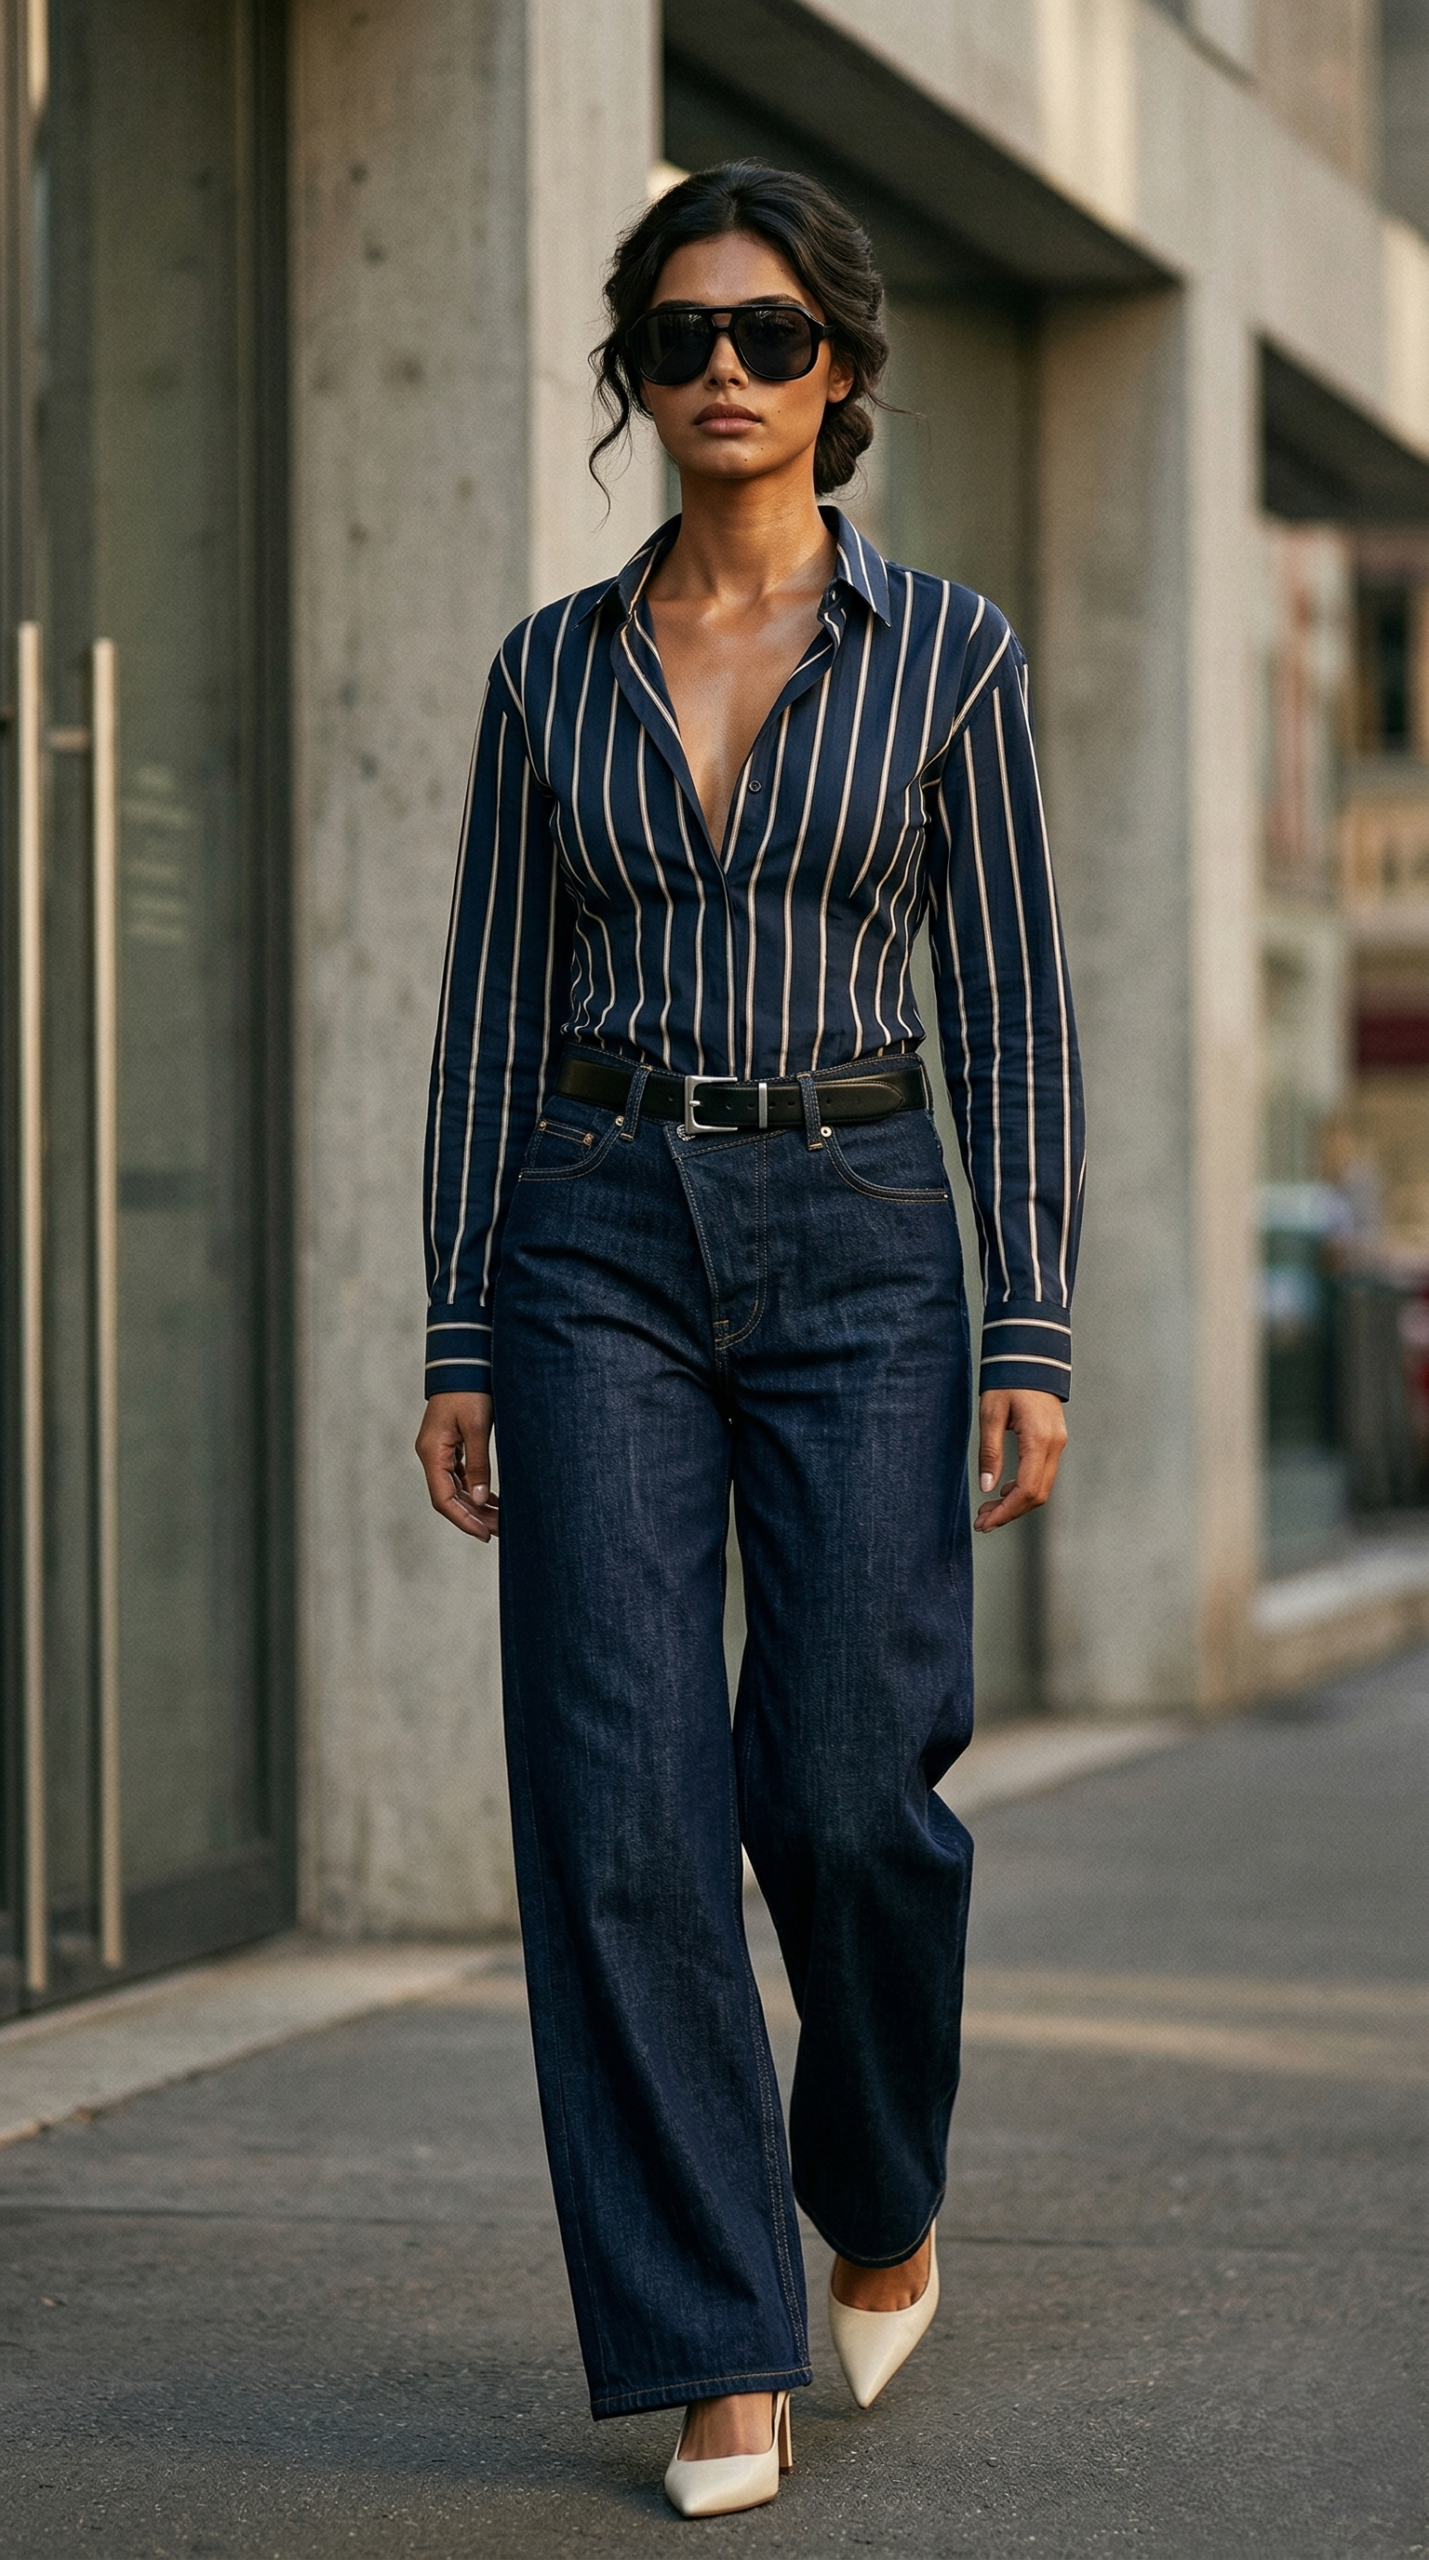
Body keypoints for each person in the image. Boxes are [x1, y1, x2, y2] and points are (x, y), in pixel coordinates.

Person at [415, 161, 1083, 2519]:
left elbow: (1009, 1010)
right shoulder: (544, 674)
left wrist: (1035, 1316)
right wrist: (462, 1318)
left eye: (769, 334)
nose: (724, 372)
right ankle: (717, 2332)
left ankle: (877, 2167)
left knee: (841, 1787)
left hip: (866, 1230)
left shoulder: (954, 657)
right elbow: (490, 1013)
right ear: (634, 369)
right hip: (592, 1223)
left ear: (844, 371)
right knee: (617, 1809)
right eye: (682, 335)